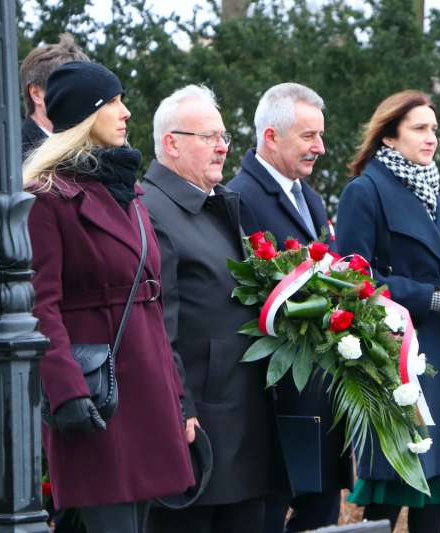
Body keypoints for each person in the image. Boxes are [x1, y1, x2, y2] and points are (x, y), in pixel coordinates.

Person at [24, 61, 194, 533]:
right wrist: (66, 390)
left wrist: (178, 395)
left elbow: (155, 302)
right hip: (98, 394)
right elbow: (40, 306)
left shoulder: (127, 191)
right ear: (85, 114)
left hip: (149, 387)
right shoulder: (47, 198)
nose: (125, 112)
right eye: (112, 101)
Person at [335, 90, 440, 533]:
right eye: (420, 129)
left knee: (433, 489)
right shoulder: (364, 191)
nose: (432, 138)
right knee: (390, 490)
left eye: (434, 129)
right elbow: (352, 278)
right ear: (389, 137)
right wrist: (432, 298)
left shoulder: (429, 188)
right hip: (397, 357)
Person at [142, 84, 286, 533]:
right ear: (171, 143)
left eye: (224, 136)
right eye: (209, 137)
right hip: (199, 430)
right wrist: (179, 408)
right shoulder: (151, 210)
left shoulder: (213, 203)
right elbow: (156, 328)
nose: (223, 146)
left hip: (238, 425)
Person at [227, 82, 352, 533]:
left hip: (318, 391)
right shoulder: (239, 198)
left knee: (321, 514)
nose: (320, 147)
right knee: (271, 514)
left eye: (320, 135)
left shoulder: (310, 198)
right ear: (271, 136)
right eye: (308, 136)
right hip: (276, 398)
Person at [0, 34, 88, 312]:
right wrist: (33, 286)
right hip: (18, 317)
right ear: (36, 93)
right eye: (69, 89)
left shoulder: (88, 156)